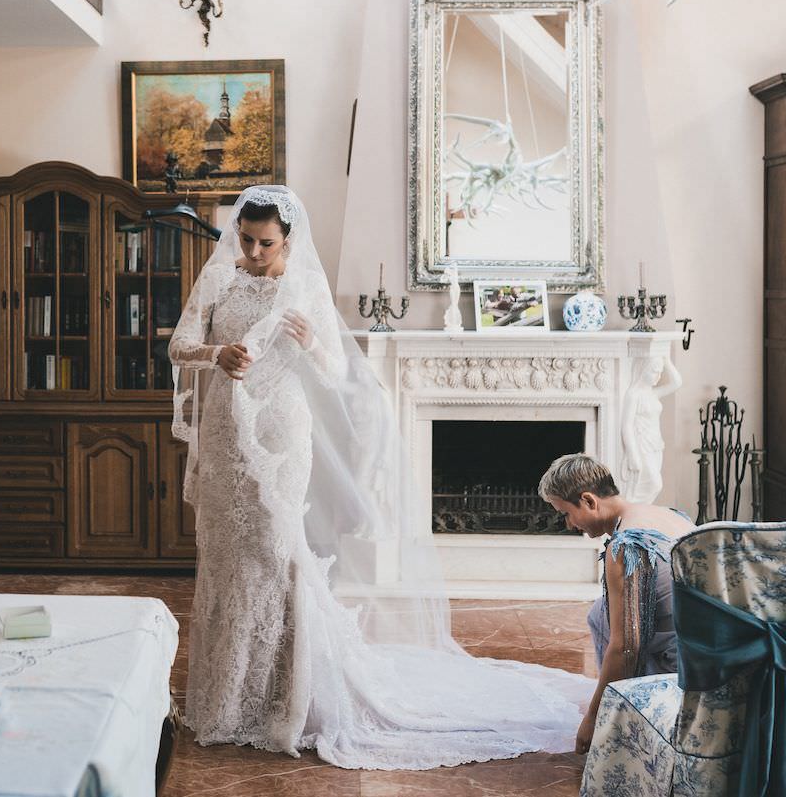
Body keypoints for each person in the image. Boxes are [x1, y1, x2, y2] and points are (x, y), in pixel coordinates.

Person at [169, 184, 592, 770]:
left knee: (276, 551)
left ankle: (284, 698)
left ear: (288, 239)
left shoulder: (305, 286)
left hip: (281, 435)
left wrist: (310, 342)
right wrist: (216, 355)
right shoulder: (220, 278)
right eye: (247, 241)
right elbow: (179, 345)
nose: (256, 252)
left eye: (267, 243)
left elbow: (336, 369)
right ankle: (227, 699)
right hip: (225, 429)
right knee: (227, 556)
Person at [537, 453, 694, 754]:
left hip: (679, 665)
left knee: (602, 617)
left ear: (588, 500)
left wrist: (594, 718)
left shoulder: (627, 545)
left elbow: (627, 647)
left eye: (566, 513)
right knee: (602, 610)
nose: (568, 524)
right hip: (706, 645)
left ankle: (622, 717)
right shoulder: (672, 514)